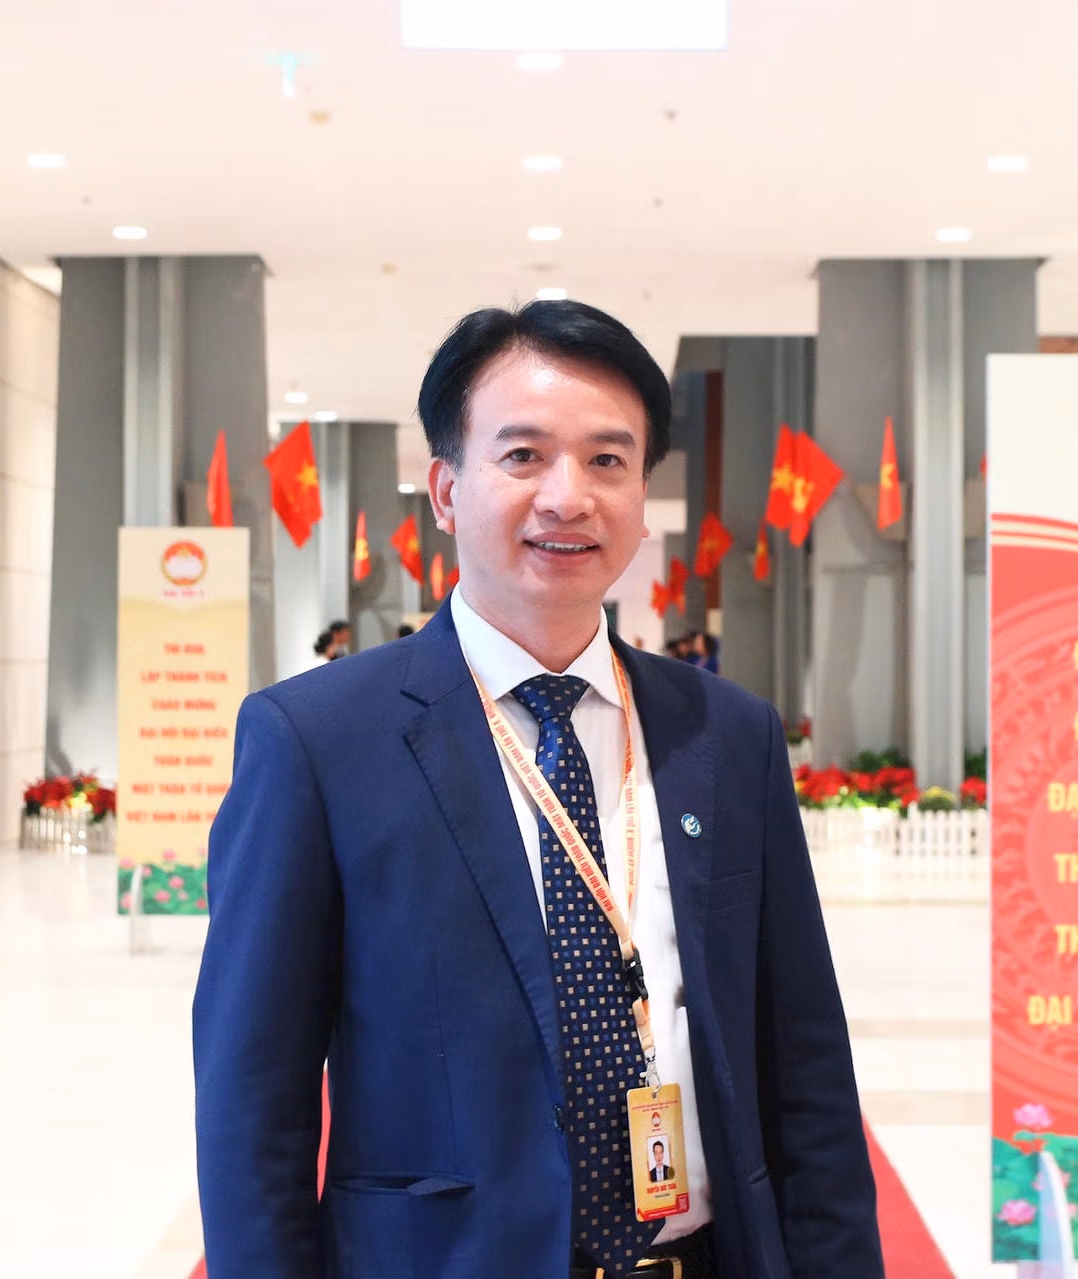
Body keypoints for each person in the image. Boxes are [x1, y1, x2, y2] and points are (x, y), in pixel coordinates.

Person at [194, 299, 881, 1279]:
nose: (569, 496)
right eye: (523, 456)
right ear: (446, 489)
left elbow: (804, 1057)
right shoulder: (317, 741)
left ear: (642, 492)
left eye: (607, 460)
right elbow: (252, 1096)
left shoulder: (728, 733)